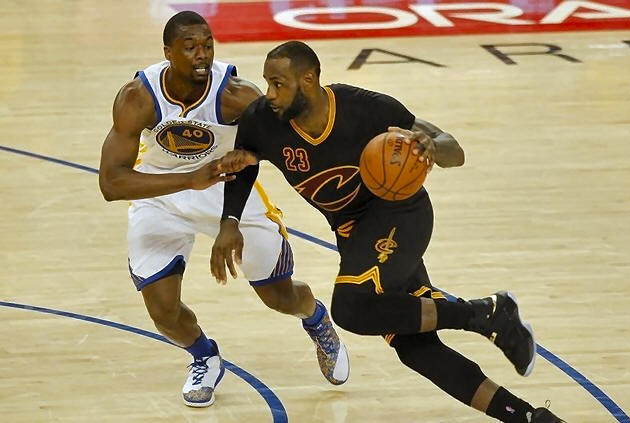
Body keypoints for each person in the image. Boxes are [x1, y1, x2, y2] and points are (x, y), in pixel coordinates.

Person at [211, 41, 565, 422]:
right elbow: (244, 163)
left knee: (349, 307)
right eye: (267, 82)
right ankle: (527, 416)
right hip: (354, 236)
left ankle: (482, 313)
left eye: (278, 84)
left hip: (401, 215)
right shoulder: (263, 120)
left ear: (308, 80)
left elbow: (454, 150)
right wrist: (230, 221)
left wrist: (432, 147)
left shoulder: (366, 109)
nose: (269, 93)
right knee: (415, 349)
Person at [98, 14, 349, 408]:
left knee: (278, 296)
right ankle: (205, 356)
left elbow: (282, 143)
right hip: (160, 192)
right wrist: (189, 179)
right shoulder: (138, 97)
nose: (202, 54)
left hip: (228, 190)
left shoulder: (236, 95)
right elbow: (111, 183)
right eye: (190, 47)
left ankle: (315, 318)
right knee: (162, 311)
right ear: (167, 53)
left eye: (207, 45)